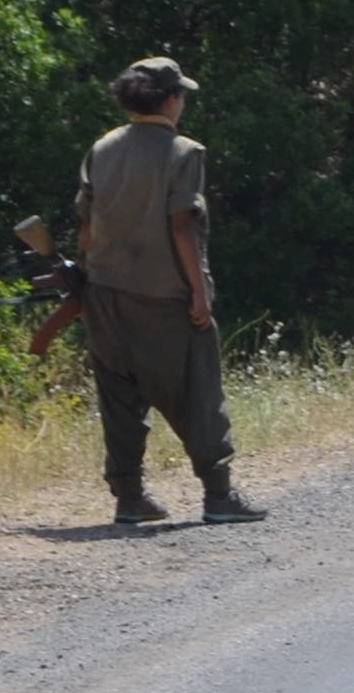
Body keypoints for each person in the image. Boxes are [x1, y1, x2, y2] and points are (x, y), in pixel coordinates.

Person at [73, 56, 263, 526]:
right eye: (181, 96)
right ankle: (218, 495)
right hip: (164, 298)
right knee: (197, 391)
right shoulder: (184, 153)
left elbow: (86, 225)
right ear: (170, 99)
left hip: (103, 294)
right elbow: (182, 227)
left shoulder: (101, 149)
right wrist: (199, 293)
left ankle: (129, 497)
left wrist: (87, 283)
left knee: (119, 399)